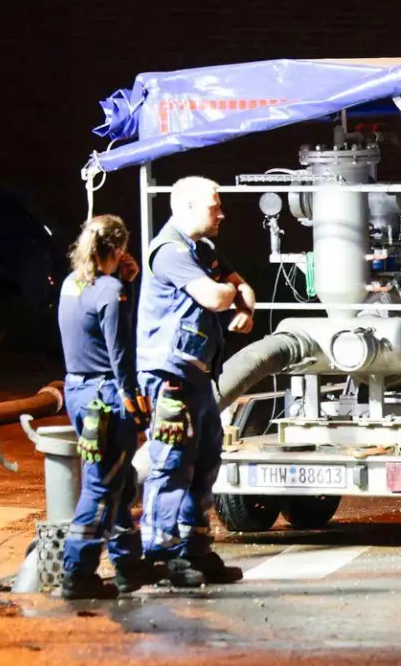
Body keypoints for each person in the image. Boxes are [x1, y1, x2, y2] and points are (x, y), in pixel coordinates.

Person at [138, 176, 254, 587]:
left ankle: (196, 549)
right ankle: (161, 554)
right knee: (172, 464)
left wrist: (242, 301)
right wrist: (231, 295)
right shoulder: (170, 252)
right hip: (172, 375)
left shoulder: (200, 250)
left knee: (205, 460)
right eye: (213, 206)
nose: (221, 213)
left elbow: (244, 289)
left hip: (198, 375)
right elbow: (216, 297)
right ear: (186, 207)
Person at [56, 214, 157, 599]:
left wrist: (122, 285)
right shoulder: (111, 290)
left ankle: (128, 564)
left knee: (116, 480)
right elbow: (119, 352)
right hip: (107, 397)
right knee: (101, 485)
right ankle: (77, 570)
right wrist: (134, 401)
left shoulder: (71, 284)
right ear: (117, 250)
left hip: (77, 392)